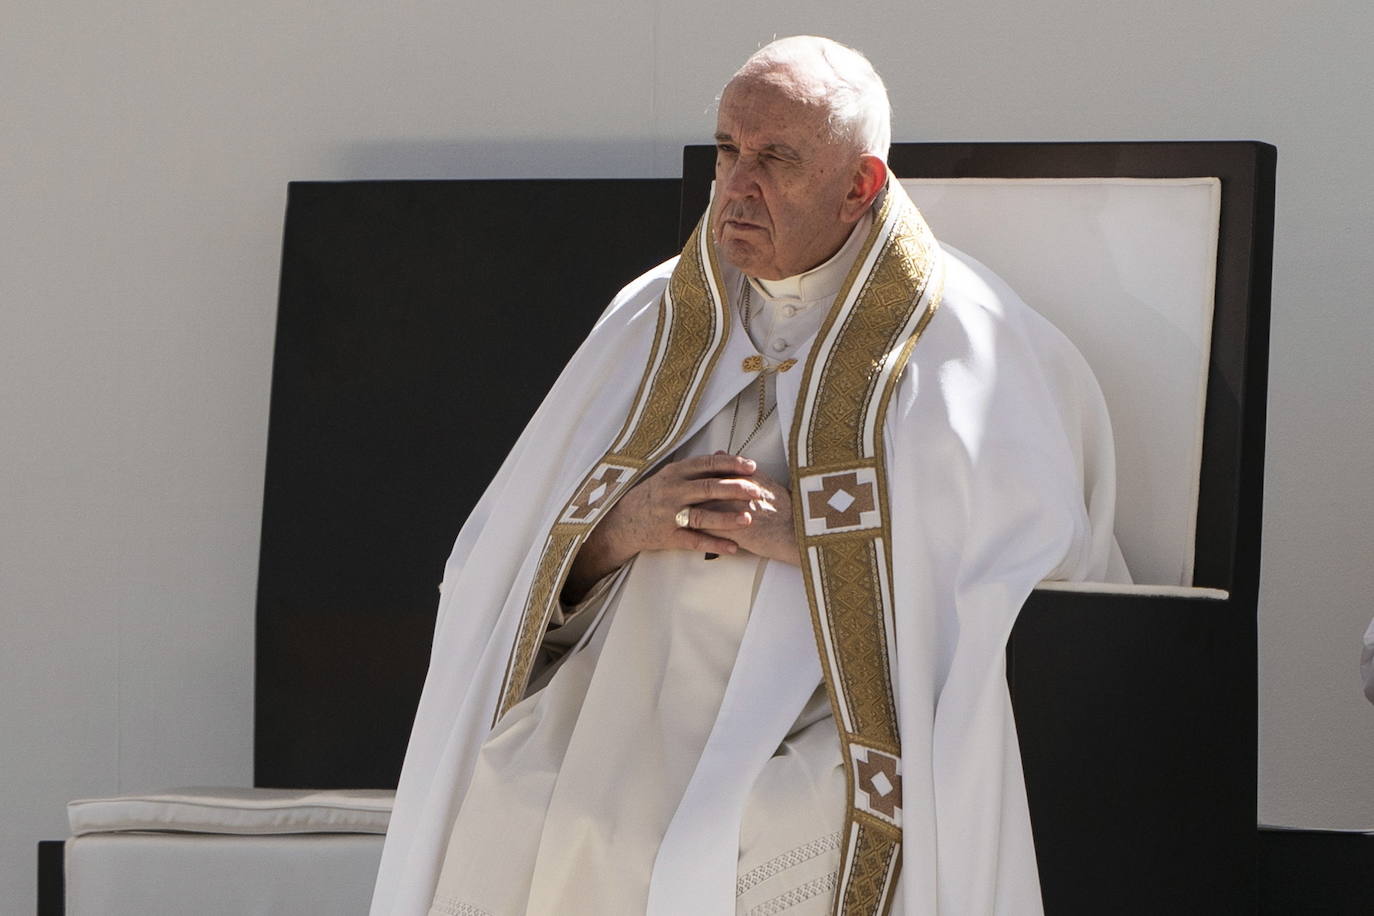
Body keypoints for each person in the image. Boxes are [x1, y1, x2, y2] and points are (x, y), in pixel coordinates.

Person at [370, 36, 1128, 916]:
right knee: (519, 795)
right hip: (626, 692)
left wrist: (817, 542)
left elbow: (1029, 573)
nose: (737, 185)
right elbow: (493, 569)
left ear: (862, 185)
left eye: (776, 159)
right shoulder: (654, 316)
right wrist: (622, 527)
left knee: (720, 842)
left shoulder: (961, 341)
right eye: (729, 150)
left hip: (826, 709)